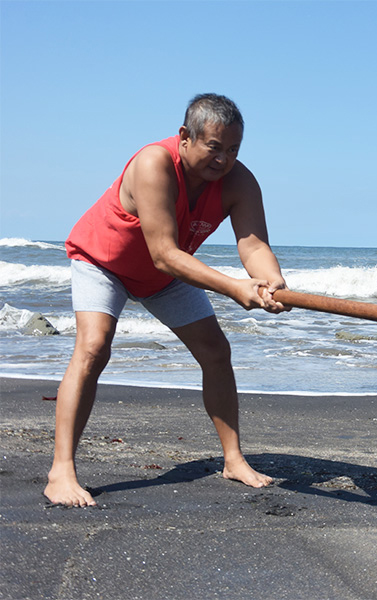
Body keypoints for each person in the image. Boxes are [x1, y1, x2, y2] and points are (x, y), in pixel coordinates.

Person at [45, 93, 290, 507]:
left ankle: (233, 459)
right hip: (104, 263)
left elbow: (253, 245)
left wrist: (270, 281)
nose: (223, 160)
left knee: (216, 350)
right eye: (214, 146)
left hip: (165, 276)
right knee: (93, 347)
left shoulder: (240, 181)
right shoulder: (153, 164)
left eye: (233, 150)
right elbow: (164, 252)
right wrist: (234, 288)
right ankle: (61, 472)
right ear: (185, 137)